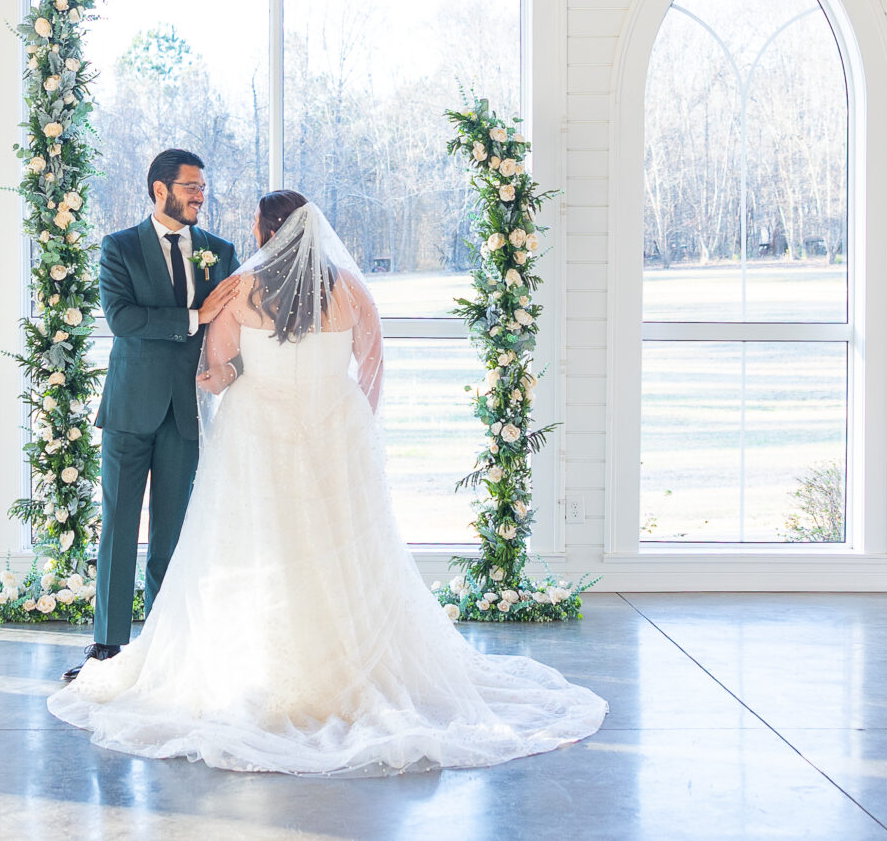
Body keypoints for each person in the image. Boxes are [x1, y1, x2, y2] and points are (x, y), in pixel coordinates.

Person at [48, 190, 605, 774]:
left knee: (260, 546)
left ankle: (258, 665)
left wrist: (231, 374)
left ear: (267, 232)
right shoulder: (350, 290)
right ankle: (346, 667)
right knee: (336, 548)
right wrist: (351, 422)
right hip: (332, 433)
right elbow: (372, 364)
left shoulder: (242, 290)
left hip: (257, 434)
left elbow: (215, 376)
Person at [65, 149, 239, 683]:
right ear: (160, 189)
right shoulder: (119, 248)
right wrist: (195, 315)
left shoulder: (220, 252)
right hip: (129, 407)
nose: (200, 195)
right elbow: (122, 318)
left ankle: (163, 646)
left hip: (187, 410)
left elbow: (237, 325)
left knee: (171, 532)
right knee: (118, 526)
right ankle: (107, 648)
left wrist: (228, 366)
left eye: (203, 187)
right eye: (191, 186)